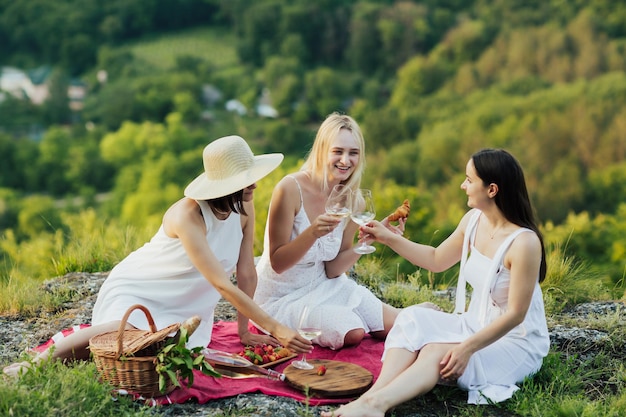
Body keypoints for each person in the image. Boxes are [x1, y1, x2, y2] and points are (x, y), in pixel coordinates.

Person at [3, 135, 311, 377]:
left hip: (187, 306)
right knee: (132, 336)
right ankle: (37, 365)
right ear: (224, 186)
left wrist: (245, 331)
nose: (255, 184)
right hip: (142, 288)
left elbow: (247, 272)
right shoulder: (188, 214)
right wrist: (276, 327)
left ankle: (86, 352)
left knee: (158, 354)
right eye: (246, 179)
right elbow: (221, 283)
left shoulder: (244, 205)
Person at [321, 148, 550, 416]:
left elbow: (516, 315)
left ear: (492, 189)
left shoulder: (524, 243)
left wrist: (466, 348)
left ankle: (377, 406)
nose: (463, 185)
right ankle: (370, 397)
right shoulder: (474, 220)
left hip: (515, 343)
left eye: (469, 180)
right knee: (412, 318)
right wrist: (386, 237)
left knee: (435, 351)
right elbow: (436, 259)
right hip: (475, 323)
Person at [252, 112, 403, 350]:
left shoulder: (354, 201)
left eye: (353, 153)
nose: (345, 160)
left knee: (400, 324)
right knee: (352, 331)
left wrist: (364, 243)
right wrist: (312, 232)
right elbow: (278, 262)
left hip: (326, 286)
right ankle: (344, 314)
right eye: (338, 151)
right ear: (322, 150)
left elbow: (333, 270)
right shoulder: (290, 189)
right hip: (280, 298)